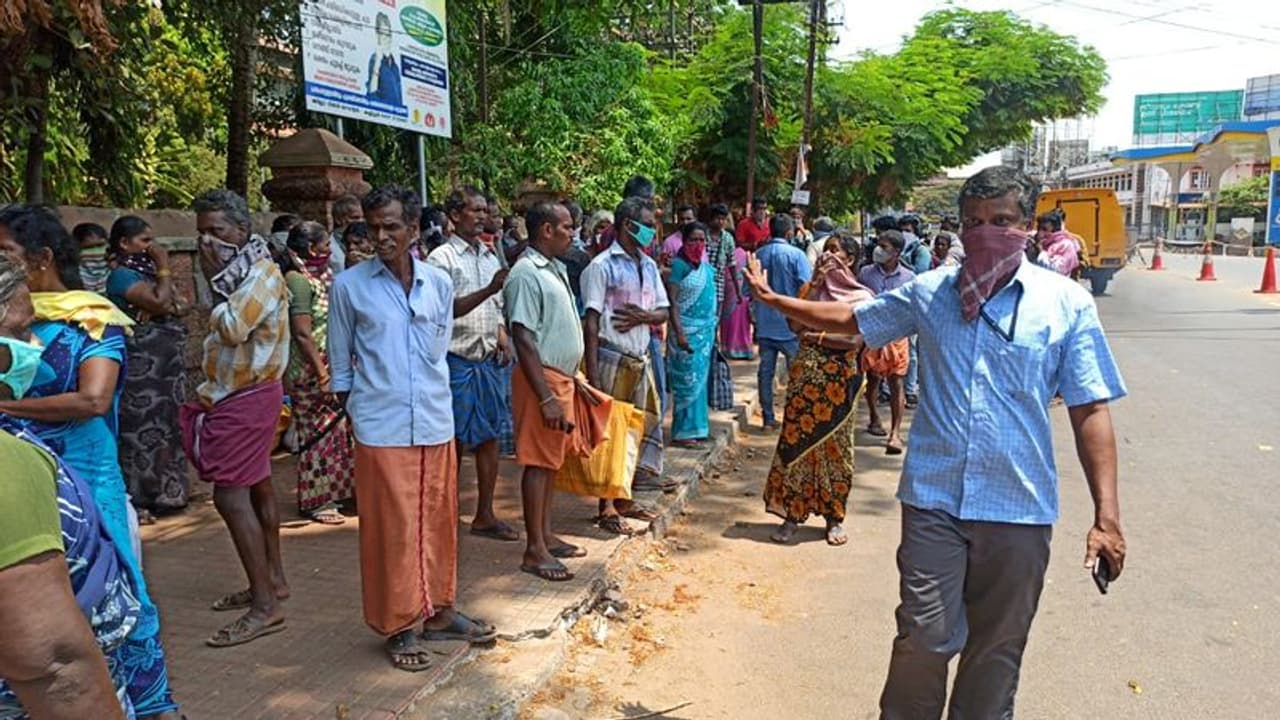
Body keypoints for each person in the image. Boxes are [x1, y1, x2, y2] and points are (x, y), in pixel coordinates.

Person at [743, 165, 1128, 719]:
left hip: (1018, 508)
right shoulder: (930, 294)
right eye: (974, 221)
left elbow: (1090, 408)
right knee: (924, 638)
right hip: (934, 502)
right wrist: (778, 301)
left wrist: (1106, 517)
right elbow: (853, 319)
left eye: (1001, 220)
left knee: (997, 650)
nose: (986, 232)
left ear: (1028, 227)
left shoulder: (1065, 304)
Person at [0, 206, 179, 718]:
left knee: (114, 593)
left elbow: (93, 401)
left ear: (42, 259)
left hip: (84, 476)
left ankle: (148, 704)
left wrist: (6, 407)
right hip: (22, 475)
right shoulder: (13, 315)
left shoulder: (92, 318)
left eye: (6, 253)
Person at [328, 185, 497, 672]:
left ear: (414, 230)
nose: (380, 237)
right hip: (381, 427)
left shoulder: (437, 284)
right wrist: (356, 412)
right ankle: (399, 625)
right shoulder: (350, 287)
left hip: (434, 420)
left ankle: (440, 611)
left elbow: (438, 348)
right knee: (393, 530)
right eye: (373, 227)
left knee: (439, 521)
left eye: (391, 227)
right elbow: (341, 366)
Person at [179, 189, 291, 648]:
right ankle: (273, 581)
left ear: (242, 232)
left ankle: (265, 606)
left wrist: (210, 278)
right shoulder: (239, 272)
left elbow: (230, 328)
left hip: (246, 397)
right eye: (201, 233)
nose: (208, 243)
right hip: (237, 394)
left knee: (230, 497)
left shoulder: (258, 276)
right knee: (258, 487)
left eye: (217, 232)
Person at [505, 202, 610, 582]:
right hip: (542, 381)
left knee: (550, 462)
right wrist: (546, 396)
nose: (573, 233)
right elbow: (523, 336)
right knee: (537, 462)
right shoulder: (525, 274)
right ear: (546, 230)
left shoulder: (555, 269)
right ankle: (534, 550)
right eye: (567, 227)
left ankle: (545, 534)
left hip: (560, 377)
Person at [762, 230, 873, 546]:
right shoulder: (810, 291)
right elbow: (795, 325)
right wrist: (814, 282)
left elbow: (853, 339)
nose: (828, 256)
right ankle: (792, 515)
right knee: (795, 444)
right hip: (805, 381)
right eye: (826, 250)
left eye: (836, 252)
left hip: (840, 381)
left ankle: (834, 518)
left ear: (849, 260)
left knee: (836, 449)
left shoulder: (861, 297)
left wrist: (817, 338)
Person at [431, 186, 519, 542]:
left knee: (489, 439)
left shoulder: (488, 255)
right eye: (476, 210)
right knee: (453, 441)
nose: (483, 216)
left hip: (488, 360)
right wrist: (488, 290)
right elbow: (444, 310)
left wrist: (503, 337)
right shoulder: (441, 259)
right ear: (454, 215)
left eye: (485, 210)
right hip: (456, 360)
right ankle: (445, 515)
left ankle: (484, 513)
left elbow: (494, 308)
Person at [581, 196, 671, 534]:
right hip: (609, 357)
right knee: (611, 432)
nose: (651, 230)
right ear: (627, 225)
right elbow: (590, 320)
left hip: (641, 357)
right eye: (646, 224)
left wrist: (643, 317)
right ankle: (605, 506)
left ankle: (624, 496)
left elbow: (663, 310)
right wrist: (592, 376)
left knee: (635, 430)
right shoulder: (601, 266)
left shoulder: (647, 266)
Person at [104, 216, 190, 517]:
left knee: (170, 423)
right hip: (144, 366)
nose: (151, 248)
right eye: (144, 241)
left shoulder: (147, 273)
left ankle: (170, 492)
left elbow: (179, 305)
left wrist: (160, 294)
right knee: (143, 425)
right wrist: (164, 269)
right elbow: (159, 302)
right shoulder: (123, 276)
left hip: (166, 364)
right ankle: (142, 495)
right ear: (125, 244)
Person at [279, 221, 355, 526]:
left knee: (337, 433)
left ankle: (338, 490)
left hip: (330, 363)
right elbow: (302, 333)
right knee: (317, 435)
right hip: (311, 370)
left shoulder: (322, 276)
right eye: (325, 246)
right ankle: (317, 498)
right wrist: (323, 373)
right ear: (311, 249)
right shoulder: (298, 281)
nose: (329, 251)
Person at [752, 213, 812, 430]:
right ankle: (795, 417)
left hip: (765, 323)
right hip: (790, 324)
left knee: (765, 372)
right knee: (797, 373)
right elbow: (807, 286)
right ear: (789, 232)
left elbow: (749, 289)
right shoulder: (797, 255)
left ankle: (768, 418)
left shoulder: (758, 255)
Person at [858, 229, 914, 455]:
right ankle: (873, 416)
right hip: (871, 335)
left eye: (885, 247)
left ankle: (895, 433)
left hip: (897, 337)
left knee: (896, 383)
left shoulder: (909, 278)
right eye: (878, 245)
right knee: (872, 379)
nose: (878, 250)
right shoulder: (865, 273)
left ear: (897, 252)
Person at [664, 222, 717, 447]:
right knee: (687, 383)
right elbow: (673, 303)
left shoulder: (704, 267)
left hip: (705, 333)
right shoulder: (678, 266)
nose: (698, 244)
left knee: (700, 383)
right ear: (684, 242)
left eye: (702, 240)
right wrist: (681, 334)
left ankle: (699, 428)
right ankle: (683, 433)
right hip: (686, 333)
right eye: (693, 240)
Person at [705, 204, 737, 410]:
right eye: (717, 218)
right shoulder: (703, 236)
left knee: (713, 327)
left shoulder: (728, 239)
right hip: (701, 287)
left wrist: (737, 287)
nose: (720, 222)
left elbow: (732, 264)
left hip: (718, 289)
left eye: (723, 219)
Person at [720, 237, 754, 360]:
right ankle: (743, 349)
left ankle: (728, 348)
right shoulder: (745, 255)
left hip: (727, 291)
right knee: (742, 323)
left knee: (729, 321)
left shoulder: (723, 253)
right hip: (743, 291)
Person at [365, 12, 403, 106]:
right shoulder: (375, 60)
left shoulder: (395, 66)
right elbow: (371, 95)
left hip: (396, 118)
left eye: (389, 34)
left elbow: (399, 99)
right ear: (377, 36)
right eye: (383, 34)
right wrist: (377, 62)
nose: (387, 38)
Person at [1036, 209, 1082, 278]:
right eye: (1038, 228)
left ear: (1055, 230)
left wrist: (1040, 253)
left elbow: (1058, 270)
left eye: (1044, 229)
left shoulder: (1066, 245)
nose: (1040, 233)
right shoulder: (1038, 242)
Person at [330, 194, 365, 273]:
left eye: (363, 217)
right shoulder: (329, 248)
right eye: (355, 218)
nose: (361, 221)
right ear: (338, 219)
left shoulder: (370, 242)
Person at [73, 222, 110, 293]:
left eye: (100, 246)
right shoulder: (75, 278)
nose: (96, 252)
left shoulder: (115, 272)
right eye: (89, 248)